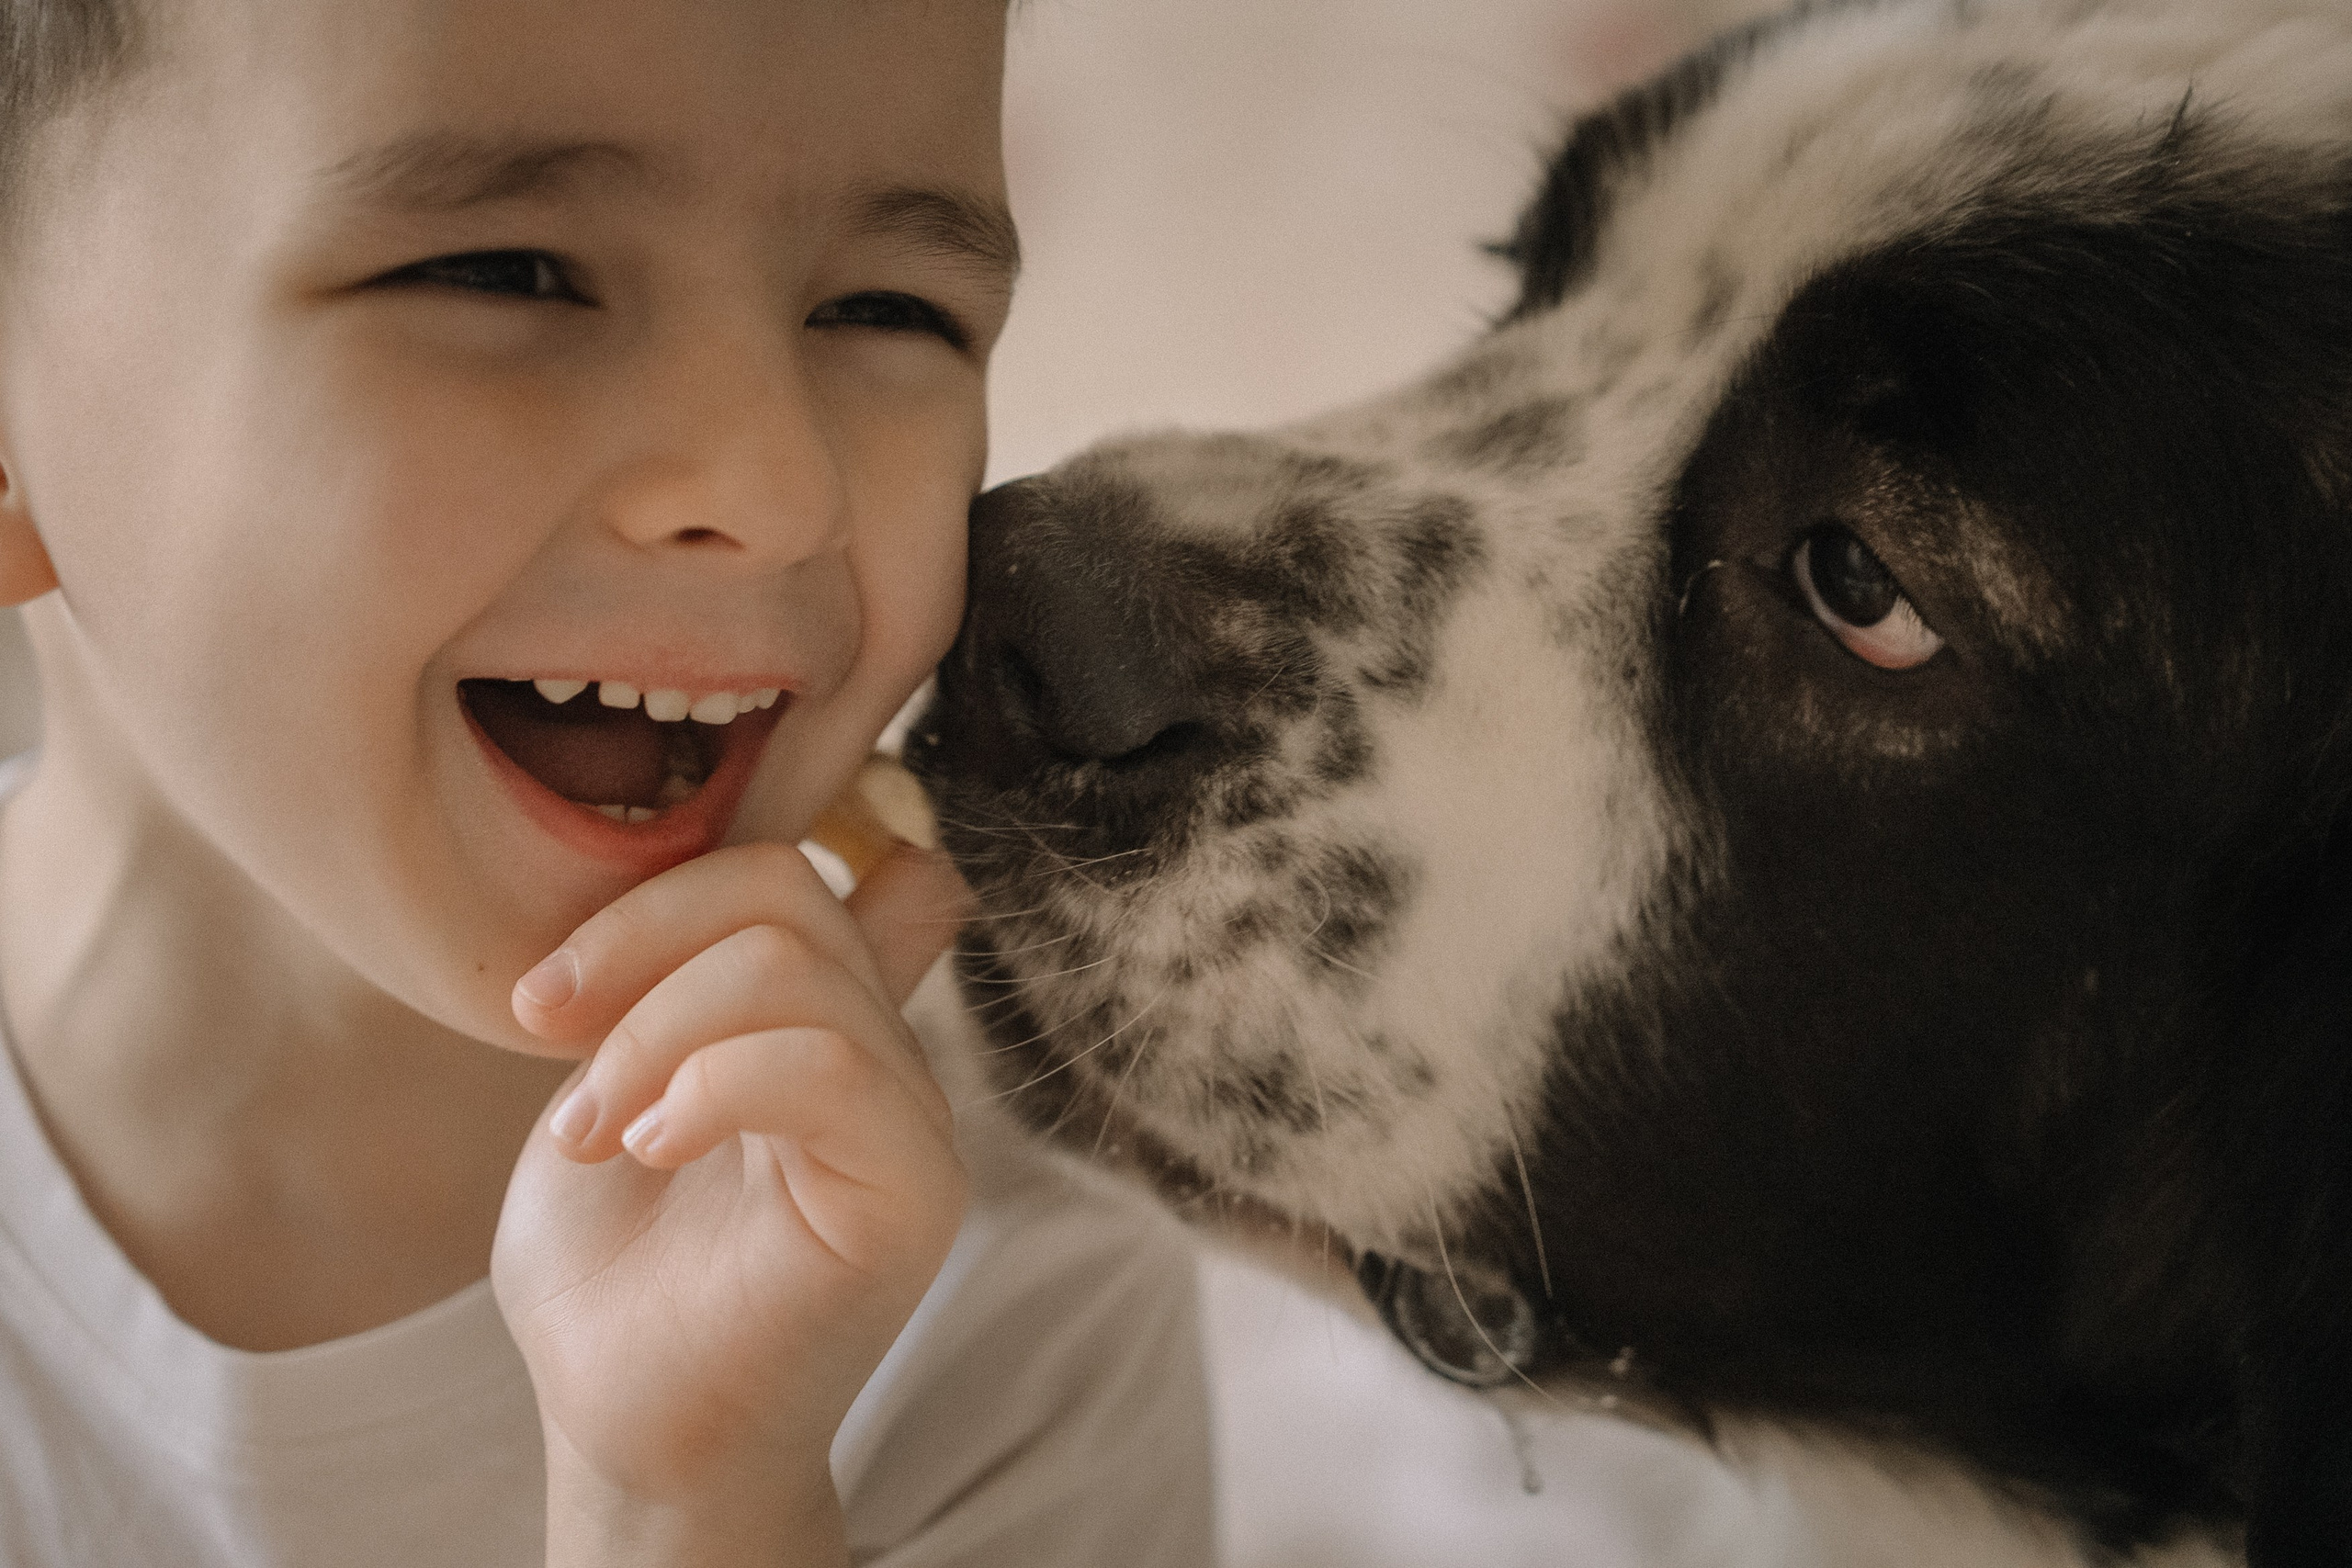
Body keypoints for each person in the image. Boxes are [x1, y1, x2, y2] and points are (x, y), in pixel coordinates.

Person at [0, 0, 1211, 1563]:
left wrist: (691, 1503)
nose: (776, 489)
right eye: (500, 274)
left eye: (889, 310)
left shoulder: (1016, 1312)